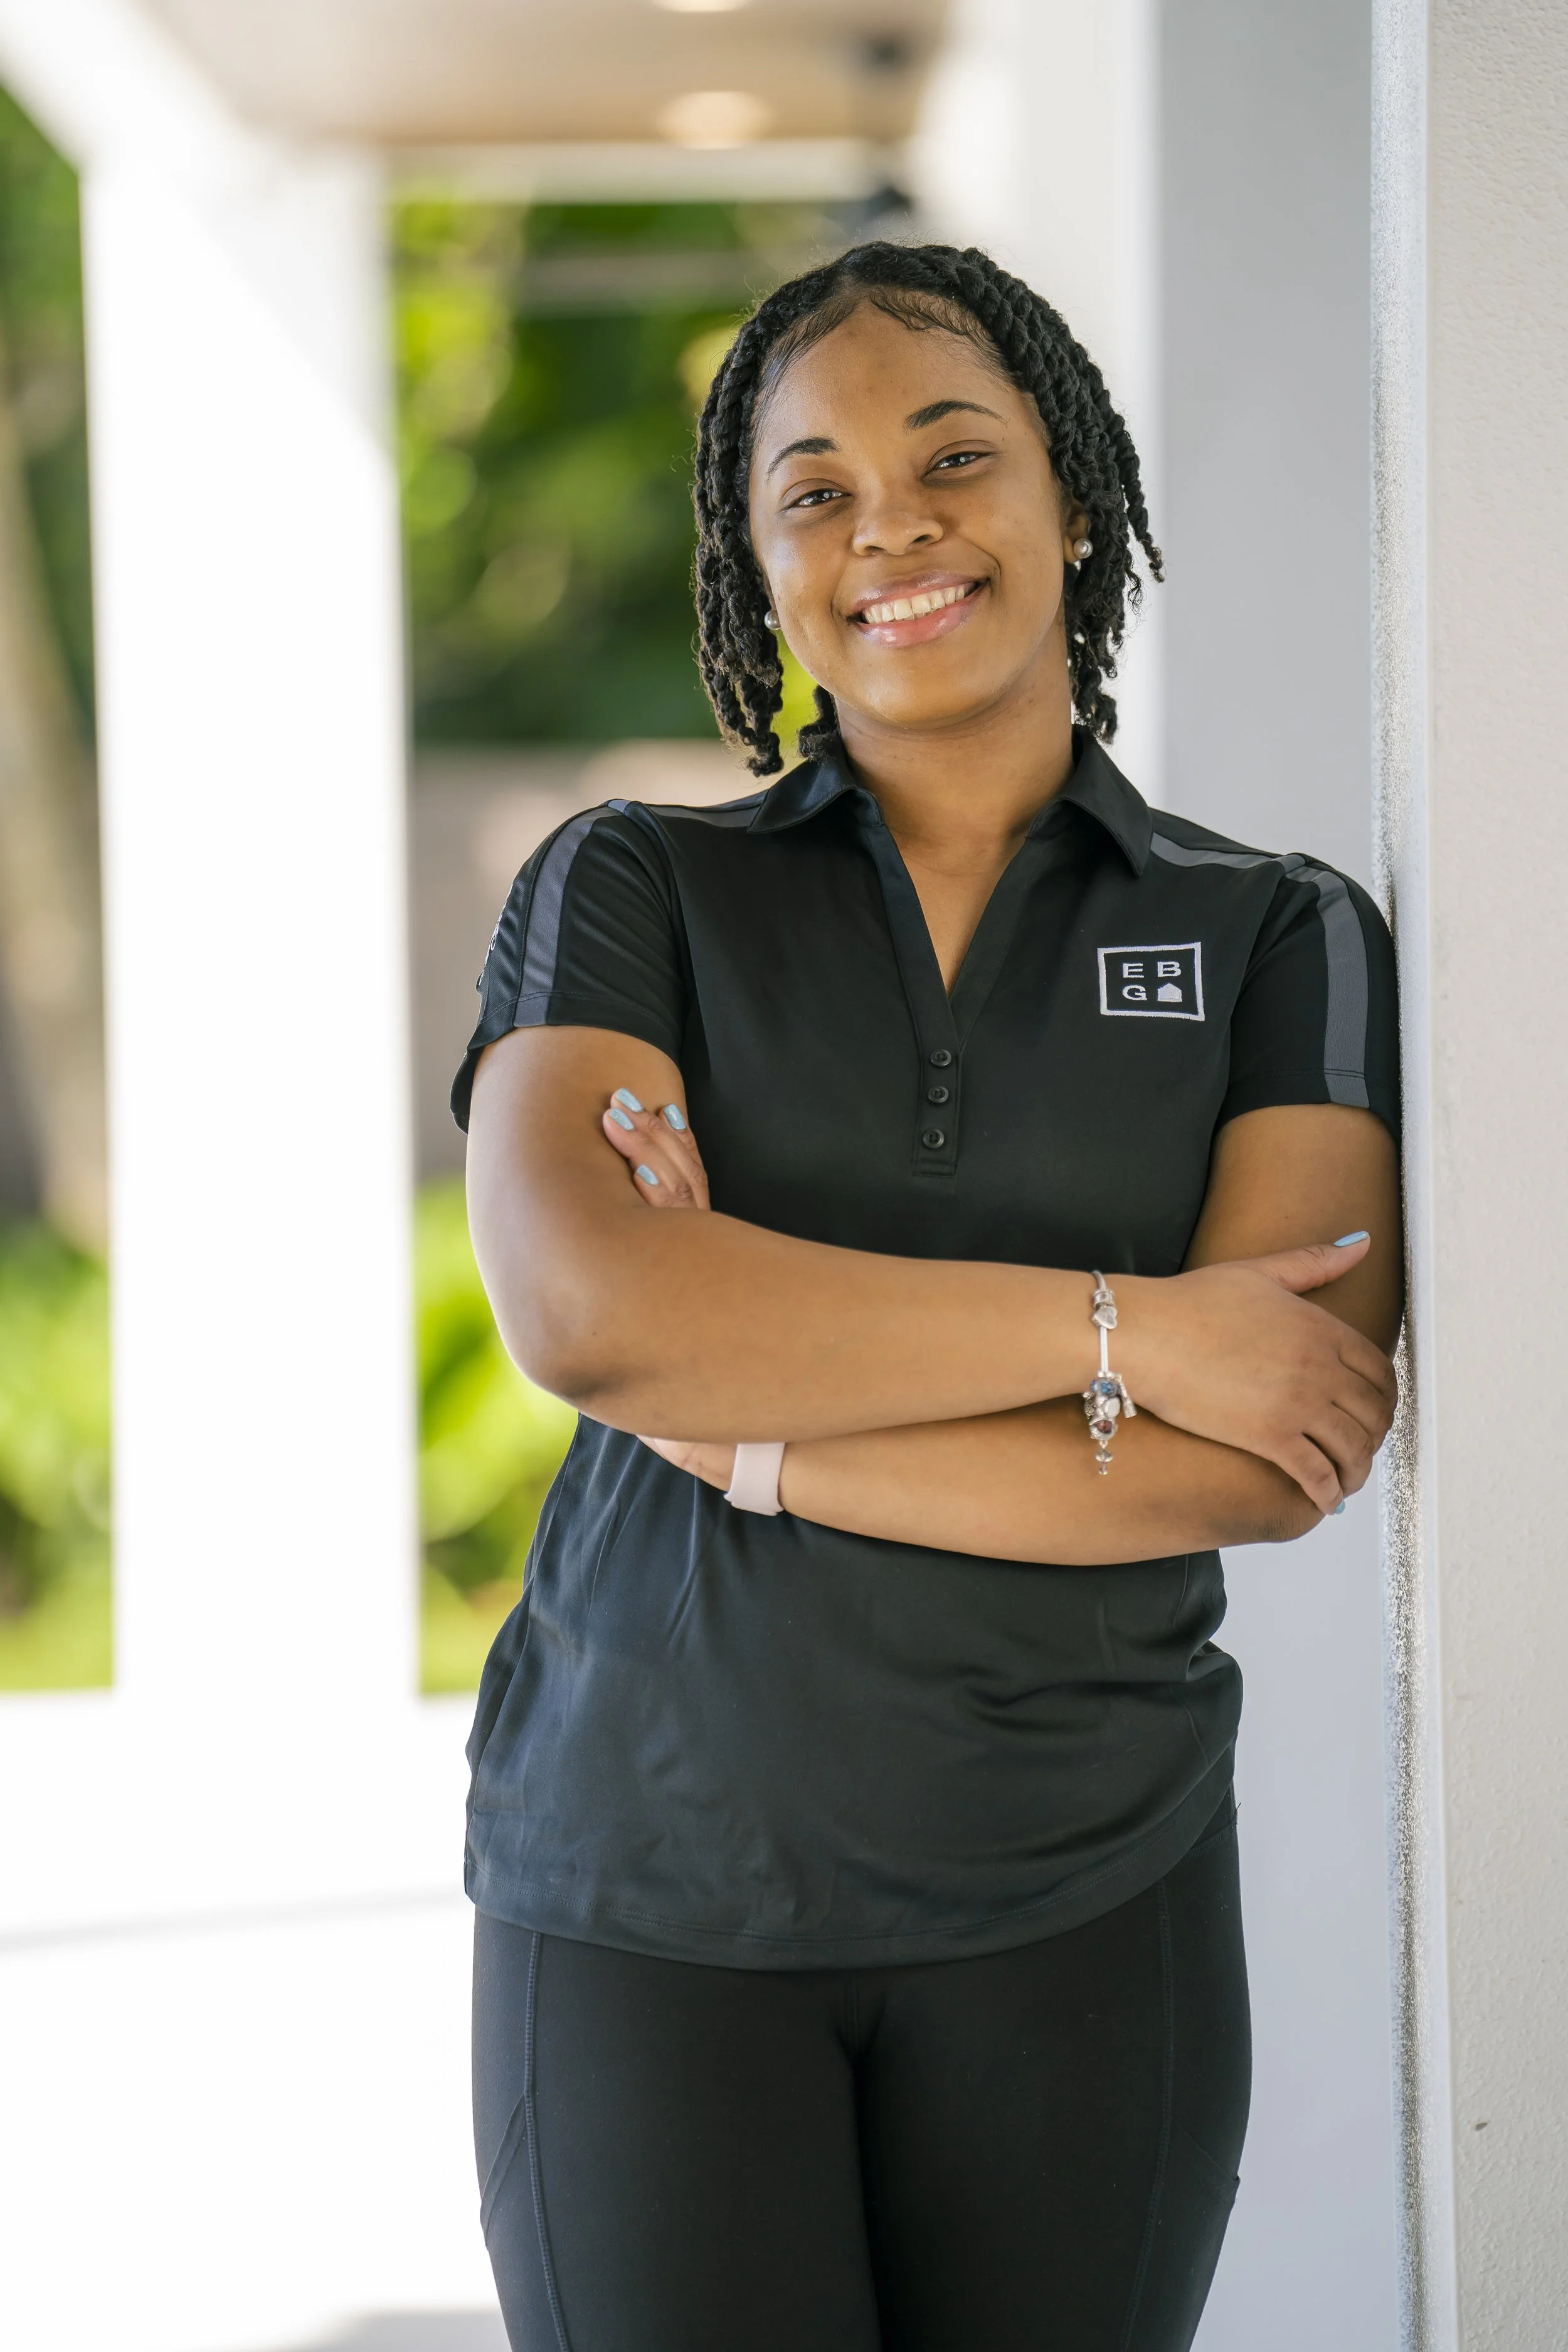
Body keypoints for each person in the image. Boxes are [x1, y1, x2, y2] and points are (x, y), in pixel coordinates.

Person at [455, 241, 1402, 2352]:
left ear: (1072, 497)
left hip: (1084, 1892)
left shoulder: (1276, 934)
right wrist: (1130, 1328)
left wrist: (745, 1424)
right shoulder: (630, 887)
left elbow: (1274, 1442)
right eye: (813, 490)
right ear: (760, 564)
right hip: (646, 1883)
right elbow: (592, 1312)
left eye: (954, 456)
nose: (889, 523)